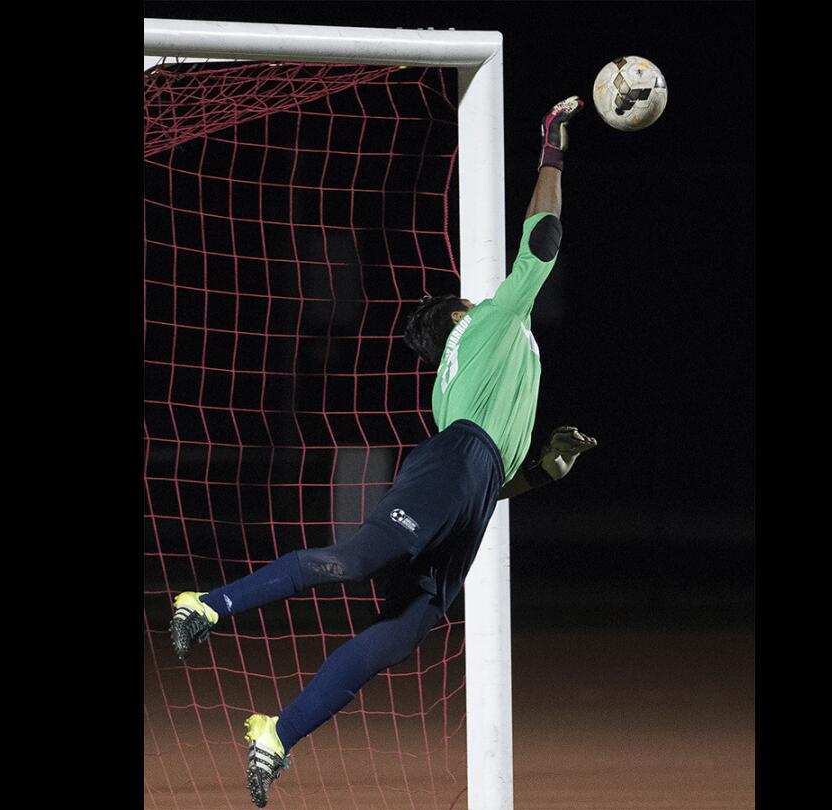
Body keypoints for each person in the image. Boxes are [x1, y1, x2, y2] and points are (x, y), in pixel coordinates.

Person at [169, 96, 593, 808]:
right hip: (458, 463)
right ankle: (207, 604)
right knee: (354, 560)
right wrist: (552, 149)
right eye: (465, 299)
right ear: (459, 315)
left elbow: (489, 484)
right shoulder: (491, 321)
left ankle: (278, 732)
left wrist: (545, 469)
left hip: (471, 478)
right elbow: (542, 238)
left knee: (398, 636)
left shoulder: (466, 374)